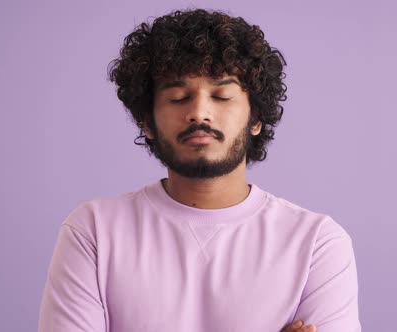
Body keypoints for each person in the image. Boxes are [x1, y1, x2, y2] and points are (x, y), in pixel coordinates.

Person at [38, 8, 361, 332]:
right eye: (178, 97)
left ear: (256, 119)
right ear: (147, 122)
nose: (199, 112)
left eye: (222, 96)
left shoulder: (317, 245)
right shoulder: (93, 232)